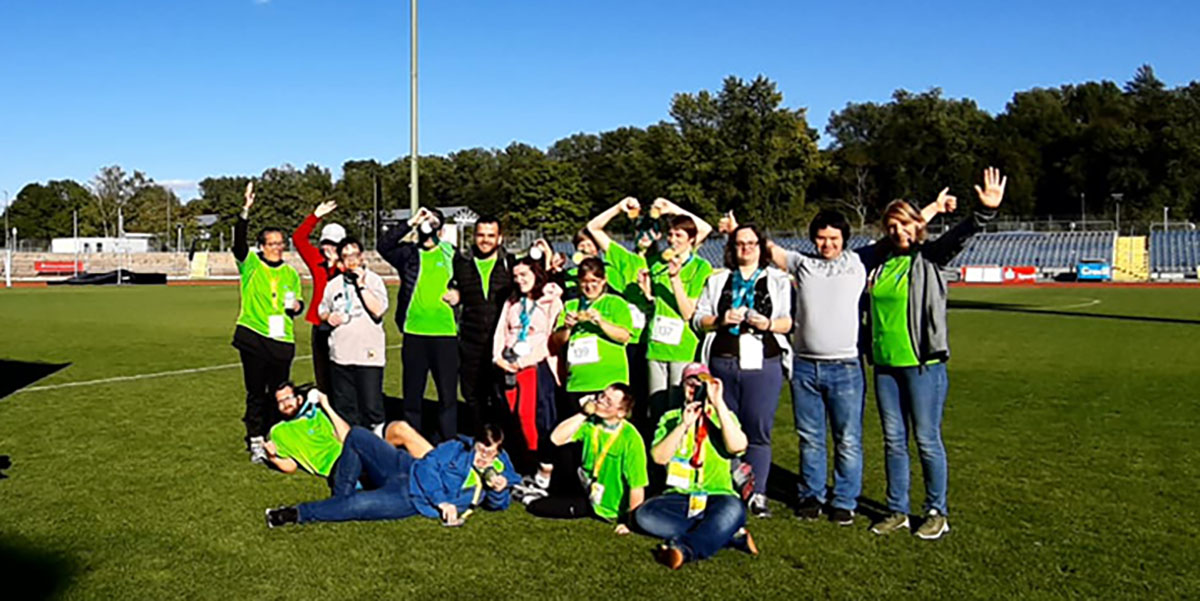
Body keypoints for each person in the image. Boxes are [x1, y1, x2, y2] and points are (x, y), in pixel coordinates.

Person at [860, 167, 1006, 540]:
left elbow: (958, 238)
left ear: (918, 227)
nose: (899, 232)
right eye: (892, 226)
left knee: (926, 439)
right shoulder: (878, 262)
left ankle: (936, 510)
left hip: (923, 365)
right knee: (893, 441)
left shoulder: (930, 257)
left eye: (906, 225)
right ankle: (897, 509)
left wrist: (983, 212)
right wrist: (931, 208)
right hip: (885, 365)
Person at [692, 223, 793, 518]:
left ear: (761, 247)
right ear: (731, 248)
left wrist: (769, 325)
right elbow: (698, 319)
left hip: (763, 363)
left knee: (757, 429)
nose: (745, 248)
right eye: (739, 243)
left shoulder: (777, 280)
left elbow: (788, 321)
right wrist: (720, 319)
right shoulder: (718, 279)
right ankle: (724, 487)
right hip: (723, 361)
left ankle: (757, 492)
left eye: (751, 243)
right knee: (722, 427)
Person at [265, 422, 520, 527]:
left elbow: (498, 504)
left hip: (410, 497)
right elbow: (429, 466)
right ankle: (339, 497)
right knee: (357, 435)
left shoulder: (500, 468)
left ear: (499, 451)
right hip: (405, 467)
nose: (485, 457)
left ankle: (294, 513)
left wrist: (499, 490)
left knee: (358, 504)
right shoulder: (457, 448)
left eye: (491, 453)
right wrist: (442, 500)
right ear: (474, 443)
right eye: (481, 450)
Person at [634, 363, 755, 569]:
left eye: (700, 386)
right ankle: (727, 534)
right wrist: (683, 425)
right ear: (682, 387)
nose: (694, 390)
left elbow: (737, 447)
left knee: (733, 509)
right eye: (690, 385)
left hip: (717, 495)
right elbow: (659, 458)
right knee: (645, 515)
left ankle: (685, 549)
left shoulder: (724, 417)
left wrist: (718, 404)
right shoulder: (671, 418)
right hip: (680, 496)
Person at [232, 181, 304, 464]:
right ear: (261, 246)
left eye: (280, 244)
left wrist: (297, 306)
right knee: (256, 393)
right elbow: (238, 242)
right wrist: (245, 210)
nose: (276, 248)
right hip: (253, 336)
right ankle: (256, 440)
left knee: (280, 392)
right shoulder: (250, 265)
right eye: (271, 244)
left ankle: (277, 437)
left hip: (282, 341)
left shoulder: (291, 273)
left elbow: (297, 303)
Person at [377, 207, 459, 442]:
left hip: (446, 334)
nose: (427, 224)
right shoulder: (409, 255)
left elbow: (468, 281)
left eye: (432, 221)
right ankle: (412, 442)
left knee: (447, 396)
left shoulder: (451, 254)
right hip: (414, 333)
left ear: (440, 229)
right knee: (412, 396)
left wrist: (459, 295)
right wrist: (410, 222)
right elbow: (384, 246)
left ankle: (448, 443)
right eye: (425, 219)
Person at [525, 384, 648, 535]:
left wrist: (630, 522)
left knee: (539, 506)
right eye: (601, 396)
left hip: (610, 507)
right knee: (537, 507)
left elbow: (637, 485)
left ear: (621, 412)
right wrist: (583, 413)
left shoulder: (631, 439)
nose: (601, 401)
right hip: (587, 494)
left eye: (608, 402)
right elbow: (556, 438)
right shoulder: (592, 424)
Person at [632, 198, 714, 423]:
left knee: (679, 407)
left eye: (679, 235)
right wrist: (646, 291)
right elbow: (655, 303)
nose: (673, 240)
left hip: (683, 347)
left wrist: (675, 279)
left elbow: (688, 312)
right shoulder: (657, 264)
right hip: (656, 345)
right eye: (671, 234)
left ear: (691, 240)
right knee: (656, 410)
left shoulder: (700, 267)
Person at [492, 257, 563, 478]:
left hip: (535, 366)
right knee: (511, 415)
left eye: (524, 275)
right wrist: (498, 358)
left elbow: (552, 340)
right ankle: (520, 463)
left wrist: (524, 361)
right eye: (516, 276)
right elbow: (501, 330)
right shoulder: (512, 301)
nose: (519, 280)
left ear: (536, 274)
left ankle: (538, 464)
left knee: (531, 416)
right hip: (508, 365)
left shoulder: (550, 301)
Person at [319, 237, 389, 430]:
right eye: (346, 256)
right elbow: (321, 309)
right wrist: (327, 316)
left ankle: (378, 448)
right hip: (341, 357)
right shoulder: (333, 285)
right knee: (346, 409)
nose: (351, 260)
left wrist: (362, 285)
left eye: (355, 255)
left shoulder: (374, 281)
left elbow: (378, 310)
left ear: (362, 257)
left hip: (368, 356)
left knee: (371, 408)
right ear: (340, 261)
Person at [291, 200, 344, 391]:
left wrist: (338, 266)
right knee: (322, 371)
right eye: (326, 243)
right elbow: (298, 238)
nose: (329, 247)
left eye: (333, 244)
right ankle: (326, 407)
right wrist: (315, 216)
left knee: (343, 370)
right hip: (319, 322)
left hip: (343, 322)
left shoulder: (348, 264)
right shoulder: (316, 259)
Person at [264, 382, 351, 481]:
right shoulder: (278, 431)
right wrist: (272, 457)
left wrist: (327, 407)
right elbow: (291, 466)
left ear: (299, 399)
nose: (285, 404)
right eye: (280, 401)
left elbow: (346, 437)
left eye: (288, 398)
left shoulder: (318, 414)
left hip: (350, 454)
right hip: (335, 467)